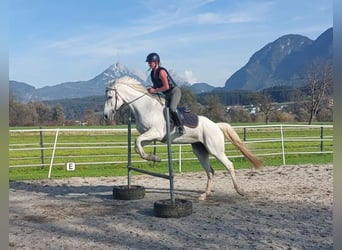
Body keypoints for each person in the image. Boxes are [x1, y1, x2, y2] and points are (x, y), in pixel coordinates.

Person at [145, 52, 184, 134]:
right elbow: (156, 85)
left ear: (156, 62)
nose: (149, 64)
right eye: (148, 62)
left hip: (174, 92)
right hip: (167, 94)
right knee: (163, 110)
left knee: (172, 108)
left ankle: (181, 127)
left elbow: (166, 87)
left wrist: (154, 90)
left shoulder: (161, 71)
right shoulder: (152, 73)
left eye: (150, 62)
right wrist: (150, 90)